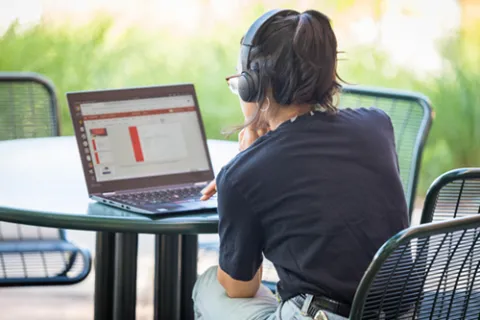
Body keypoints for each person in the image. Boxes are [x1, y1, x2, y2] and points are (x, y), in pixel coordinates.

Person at [193, 8, 408, 320]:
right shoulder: (377, 125)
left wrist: (243, 164)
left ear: (252, 86)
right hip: (401, 312)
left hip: (319, 316)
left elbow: (239, 288)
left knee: (210, 285)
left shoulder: (244, 174)